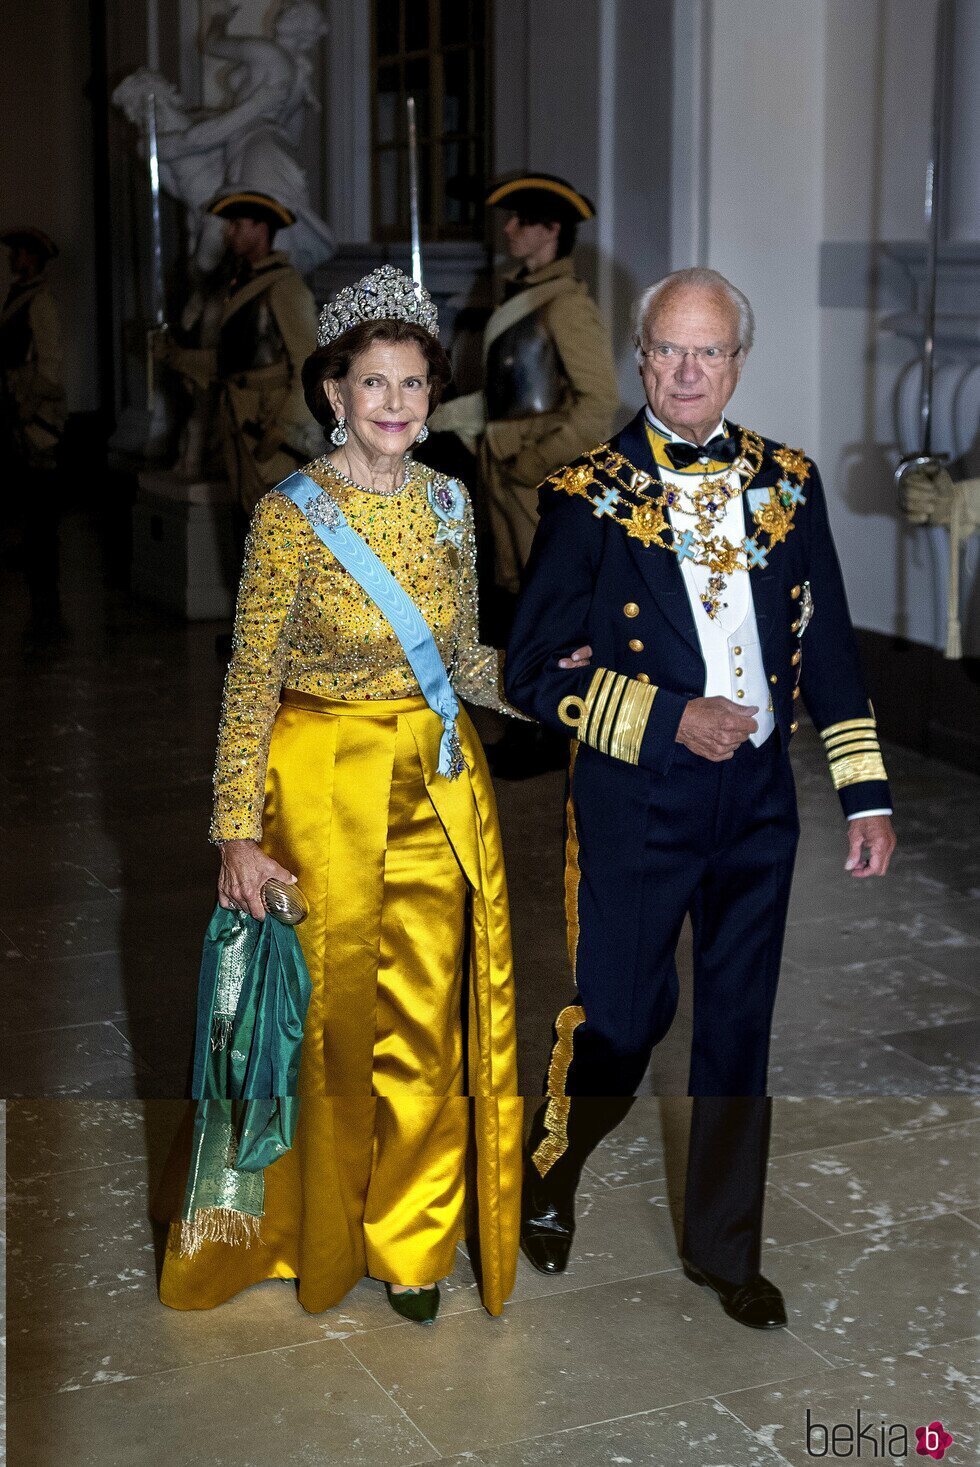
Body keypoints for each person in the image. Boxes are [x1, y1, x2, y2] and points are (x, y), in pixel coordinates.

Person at [504, 267, 898, 1328]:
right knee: (623, 1027)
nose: (685, 373)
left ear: (735, 362)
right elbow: (529, 670)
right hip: (637, 800)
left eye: (706, 352)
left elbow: (829, 648)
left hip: (759, 804)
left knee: (736, 1028)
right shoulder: (586, 492)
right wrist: (666, 715)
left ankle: (724, 1251)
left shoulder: (787, 481)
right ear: (640, 359)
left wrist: (862, 792)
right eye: (667, 352)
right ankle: (551, 1165)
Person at [157, 266, 522, 1324]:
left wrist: (561, 690)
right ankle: (311, 1231)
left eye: (413, 384)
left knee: (423, 1022)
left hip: (433, 781)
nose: (397, 405)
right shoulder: (289, 517)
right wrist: (234, 832)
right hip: (316, 788)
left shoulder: (450, 503)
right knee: (322, 1029)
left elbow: (461, 658)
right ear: (335, 395)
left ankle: (409, 1241)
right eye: (375, 385)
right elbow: (248, 683)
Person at [429, 173, 619, 775]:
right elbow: (515, 397)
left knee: (552, 607)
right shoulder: (524, 292)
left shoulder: (566, 305)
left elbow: (597, 404)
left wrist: (533, 464)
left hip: (536, 479)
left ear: (550, 230)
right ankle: (533, 721)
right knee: (518, 600)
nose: (507, 230)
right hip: (505, 470)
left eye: (519, 220)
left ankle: (554, 731)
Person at [158, 189, 321, 519]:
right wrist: (175, 356)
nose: (228, 232)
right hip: (238, 423)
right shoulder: (238, 285)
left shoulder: (284, 285)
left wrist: (285, 428)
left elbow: (311, 366)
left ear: (260, 228)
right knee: (248, 530)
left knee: (277, 533)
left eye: (236, 224)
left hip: (268, 430)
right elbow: (230, 361)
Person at [0, 226, 66, 643]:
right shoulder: (18, 298)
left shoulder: (40, 302)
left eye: (21, 253)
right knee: (31, 512)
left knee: (42, 517)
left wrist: (27, 406)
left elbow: (51, 368)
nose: (14, 258)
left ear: (35, 258)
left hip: (37, 422)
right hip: (19, 418)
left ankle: (47, 603)